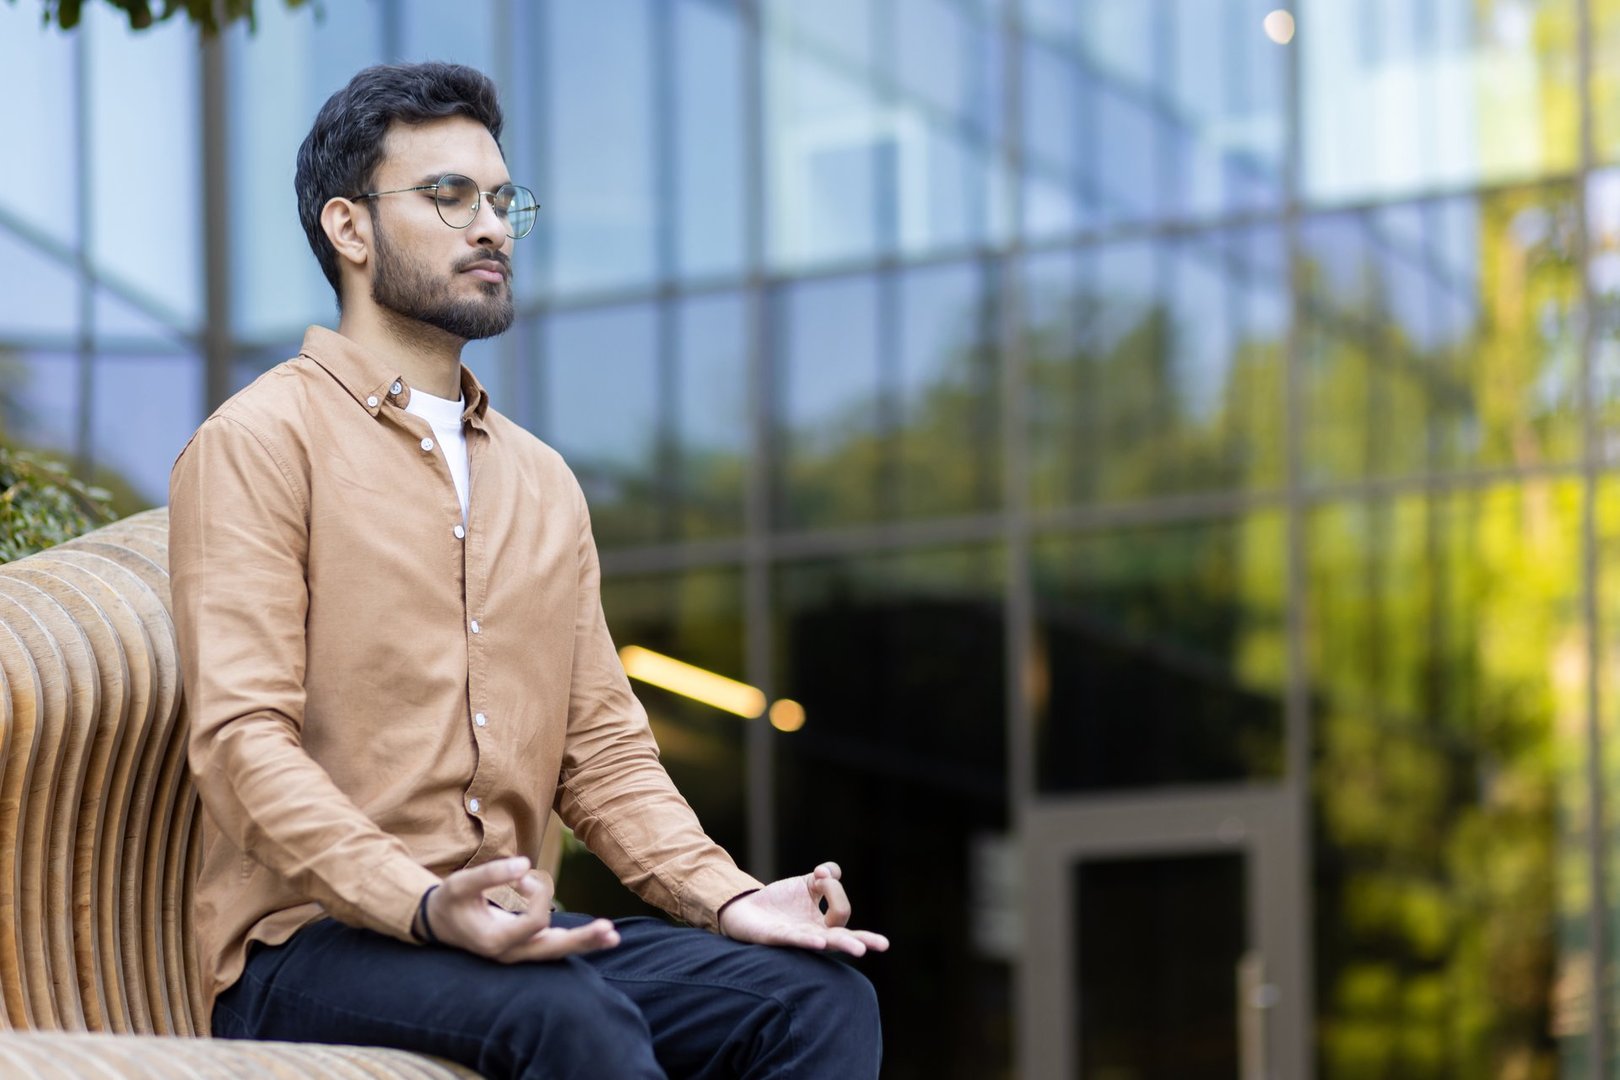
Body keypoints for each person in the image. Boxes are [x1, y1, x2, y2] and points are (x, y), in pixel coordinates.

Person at [168, 60, 886, 1080]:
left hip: (518, 936)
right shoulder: (259, 442)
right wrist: (420, 903)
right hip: (313, 945)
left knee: (813, 998)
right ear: (349, 228)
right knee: (567, 1017)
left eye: (504, 200)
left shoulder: (541, 480)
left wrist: (727, 896)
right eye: (449, 196)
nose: (492, 226)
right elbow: (242, 743)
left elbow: (601, 746)